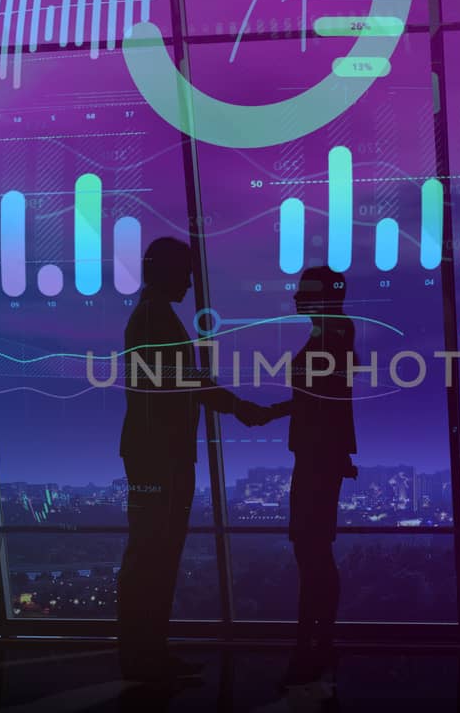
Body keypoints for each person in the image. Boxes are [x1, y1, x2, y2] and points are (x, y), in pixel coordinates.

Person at [117, 237, 271, 683]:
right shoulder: (155, 319)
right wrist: (241, 407)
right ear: (164, 272)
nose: (189, 282)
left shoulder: (153, 317)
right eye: (184, 272)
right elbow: (188, 384)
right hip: (160, 457)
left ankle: (145, 654)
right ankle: (143, 656)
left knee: (153, 552)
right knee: (153, 553)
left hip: (157, 454)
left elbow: (184, 383)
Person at [261, 266, 358, 689]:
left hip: (317, 459)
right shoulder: (333, 333)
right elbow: (318, 398)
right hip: (319, 457)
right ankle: (317, 642)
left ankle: (311, 645)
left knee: (310, 550)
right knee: (313, 551)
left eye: (305, 290)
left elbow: (322, 400)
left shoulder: (334, 333)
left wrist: (271, 414)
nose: (297, 296)